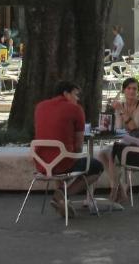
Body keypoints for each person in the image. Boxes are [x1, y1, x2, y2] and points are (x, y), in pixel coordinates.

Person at [33, 81, 104, 218]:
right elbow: (78, 147)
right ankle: (62, 194)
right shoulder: (75, 110)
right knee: (96, 167)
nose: (78, 99)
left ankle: (63, 200)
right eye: (76, 95)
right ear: (66, 94)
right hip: (62, 163)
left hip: (42, 164)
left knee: (60, 160)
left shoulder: (40, 107)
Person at [105, 77, 139, 203]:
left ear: (138, 91)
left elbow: (134, 127)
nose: (131, 91)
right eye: (129, 88)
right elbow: (119, 128)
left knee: (111, 153)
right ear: (124, 90)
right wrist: (118, 111)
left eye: (134, 89)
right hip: (126, 143)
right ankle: (120, 187)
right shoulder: (123, 105)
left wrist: (121, 110)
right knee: (101, 154)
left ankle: (114, 190)